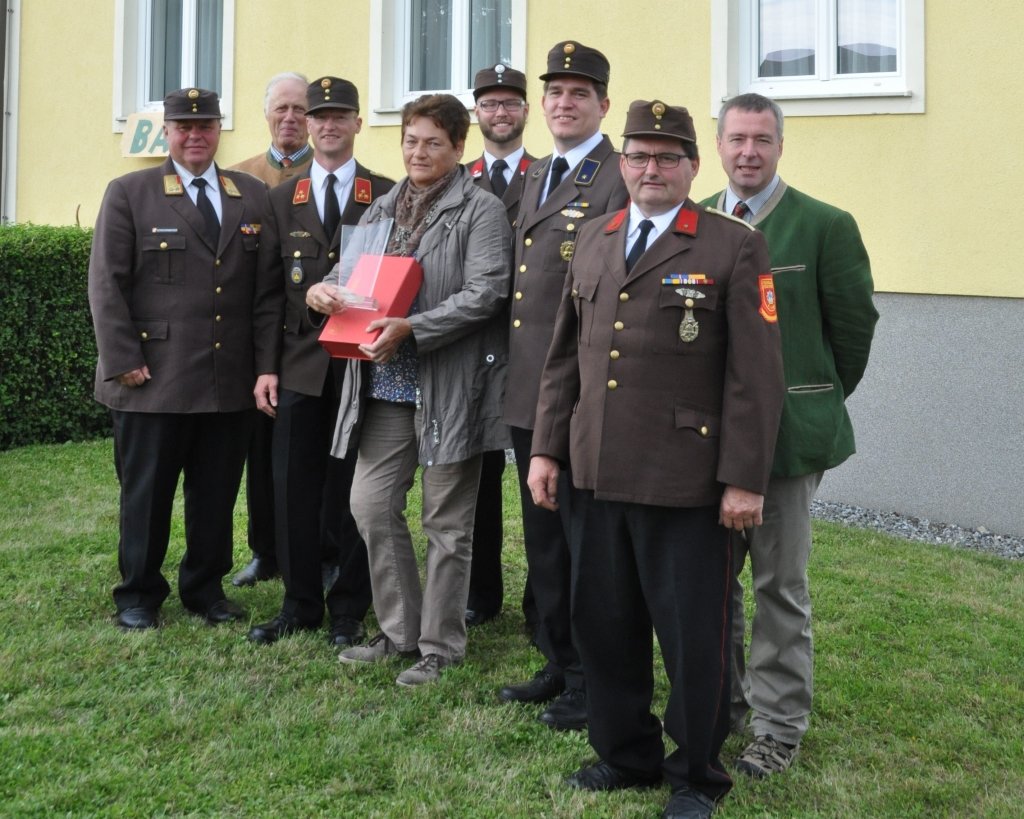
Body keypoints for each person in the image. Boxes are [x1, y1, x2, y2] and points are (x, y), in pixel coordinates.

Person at [528, 99, 784, 819]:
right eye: (638, 156)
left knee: (693, 636)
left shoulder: (732, 246)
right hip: (596, 470)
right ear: (623, 163)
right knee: (604, 623)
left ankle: (698, 774)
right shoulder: (597, 237)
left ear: (693, 167)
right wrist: (546, 447)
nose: (650, 169)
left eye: (667, 158)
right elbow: (564, 358)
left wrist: (742, 479)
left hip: (685, 479)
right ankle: (624, 752)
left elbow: (755, 378)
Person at [701, 92, 878, 777]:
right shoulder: (696, 222)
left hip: (788, 441)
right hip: (707, 439)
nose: (749, 151)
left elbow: (852, 333)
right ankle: (725, 703)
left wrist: (810, 398)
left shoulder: (825, 225)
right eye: (737, 138)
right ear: (719, 145)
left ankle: (777, 725)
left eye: (762, 139)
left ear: (780, 146)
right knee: (714, 583)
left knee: (779, 586)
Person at [307, 93, 511, 686]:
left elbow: (487, 292)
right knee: (370, 505)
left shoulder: (481, 209)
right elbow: (350, 275)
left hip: (451, 385)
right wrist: (322, 291)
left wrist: (413, 328)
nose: (419, 152)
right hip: (385, 387)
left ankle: (440, 646)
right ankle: (400, 631)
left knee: (446, 524)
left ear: (459, 147)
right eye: (411, 140)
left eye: (433, 143)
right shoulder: (381, 208)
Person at [89, 88, 279, 630]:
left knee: (215, 494)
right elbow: (106, 283)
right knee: (147, 495)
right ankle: (138, 594)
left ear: (219, 130)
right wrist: (122, 358)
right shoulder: (131, 192)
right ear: (167, 132)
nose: (195, 135)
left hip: (227, 378)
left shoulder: (249, 194)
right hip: (152, 377)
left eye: (206, 126)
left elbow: (266, 294)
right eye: (183, 127)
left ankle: (204, 588)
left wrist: (264, 366)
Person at [499, 40, 627, 732]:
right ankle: (557, 659)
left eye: (580, 93)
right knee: (544, 537)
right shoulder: (539, 172)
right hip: (531, 387)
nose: (565, 103)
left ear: (603, 104)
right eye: (555, 92)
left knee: (585, 546)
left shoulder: (617, 176)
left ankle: (591, 679)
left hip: (583, 394)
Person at [247, 76, 394, 646]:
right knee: (292, 489)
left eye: (340, 116)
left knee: (358, 489)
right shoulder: (281, 200)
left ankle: (349, 608)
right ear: (307, 125)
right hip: (301, 367)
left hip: (364, 367)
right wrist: (266, 367)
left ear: (358, 122)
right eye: (319, 116)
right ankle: (299, 603)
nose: (328, 125)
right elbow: (266, 296)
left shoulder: (386, 195)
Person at [230, 71, 313, 588]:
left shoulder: (330, 172)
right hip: (255, 339)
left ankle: (318, 545)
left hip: (308, 338)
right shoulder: (238, 179)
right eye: (281, 108)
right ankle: (265, 550)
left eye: (300, 109)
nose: (290, 118)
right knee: (260, 452)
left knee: (312, 450)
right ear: (266, 114)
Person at [463, 63, 536, 629]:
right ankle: (480, 593)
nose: (500, 112)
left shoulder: (549, 176)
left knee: (541, 481)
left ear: (526, 111)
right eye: (489, 103)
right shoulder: (457, 179)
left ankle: (542, 602)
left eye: (510, 102)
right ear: (477, 113)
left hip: (532, 349)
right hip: (472, 348)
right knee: (476, 479)